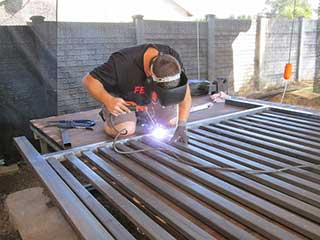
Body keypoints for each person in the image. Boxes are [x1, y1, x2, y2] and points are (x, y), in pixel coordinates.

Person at [82, 43, 191, 143]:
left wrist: (181, 126)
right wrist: (108, 100)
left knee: (172, 122)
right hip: (123, 99)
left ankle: (144, 114)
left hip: (150, 97)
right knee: (126, 129)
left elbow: (185, 94)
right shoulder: (121, 62)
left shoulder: (172, 60)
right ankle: (109, 117)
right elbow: (88, 80)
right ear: (149, 75)